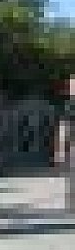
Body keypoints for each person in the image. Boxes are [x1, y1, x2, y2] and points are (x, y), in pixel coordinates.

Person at [54, 75, 74, 213]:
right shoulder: (68, 106)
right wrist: (60, 150)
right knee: (72, 175)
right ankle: (71, 202)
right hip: (72, 144)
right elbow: (63, 126)